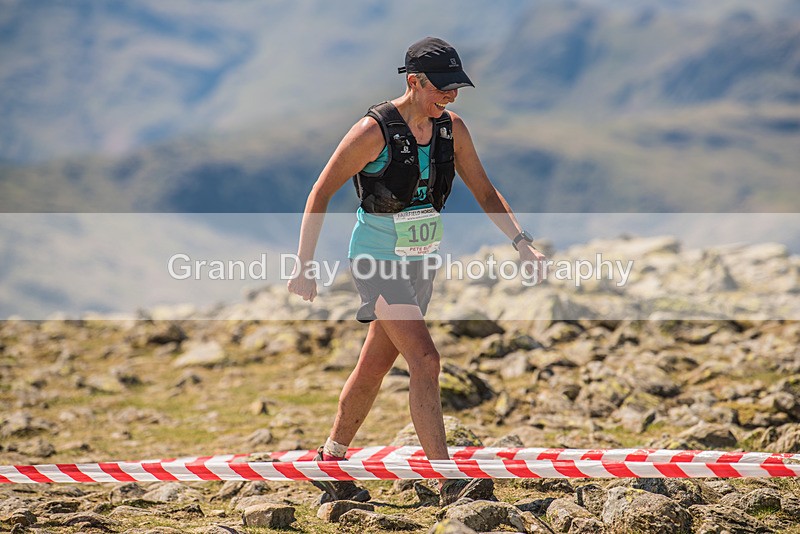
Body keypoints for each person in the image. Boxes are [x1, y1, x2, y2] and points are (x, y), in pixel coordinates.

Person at [288, 36, 546, 506]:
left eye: (456, 87)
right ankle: (449, 480)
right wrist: (304, 266)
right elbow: (320, 192)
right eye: (442, 87)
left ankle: (330, 459)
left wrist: (520, 240)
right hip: (376, 261)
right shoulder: (372, 132)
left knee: (373, 366)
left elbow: (485, 191)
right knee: (426, 360)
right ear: (414, 81)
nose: (451, 95)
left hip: (420, 262)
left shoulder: (453, 129)